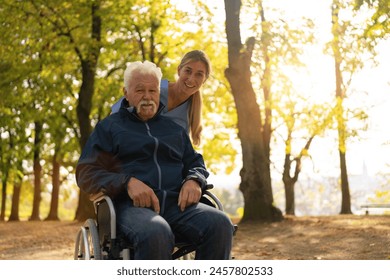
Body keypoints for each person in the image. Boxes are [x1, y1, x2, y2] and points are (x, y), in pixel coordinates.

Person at [76, 60, 234, 260]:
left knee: (220, 223)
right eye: (140, 90)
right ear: (126, 92)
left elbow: (195, 162)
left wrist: (194, 179)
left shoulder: (174, 130)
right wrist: (127, 182)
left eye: (153, 91)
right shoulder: (109, 128)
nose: (147, 97)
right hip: (131, 208)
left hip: (177, 204)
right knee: (156, 231)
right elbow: (85, 173)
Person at [111, 50, 211, 146]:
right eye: (188, 71)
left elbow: (179, 150)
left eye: (199, 74)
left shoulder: (190, 113)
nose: (191, 79)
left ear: (204, 79)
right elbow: (114, 115)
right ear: (179, 70)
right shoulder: (156, 87)